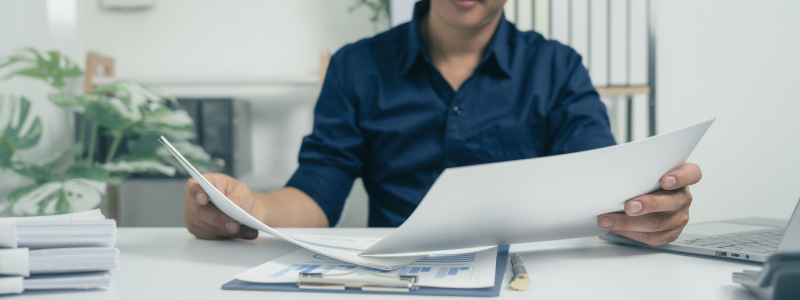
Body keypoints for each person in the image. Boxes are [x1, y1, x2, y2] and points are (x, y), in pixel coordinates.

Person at [183, 0, 701, 247]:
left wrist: (645, 210)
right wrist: (250, 208)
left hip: (532, 279)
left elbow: (601, 184)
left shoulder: (557, 66)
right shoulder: (356, 66)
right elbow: (318, 190)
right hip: (393, 276)